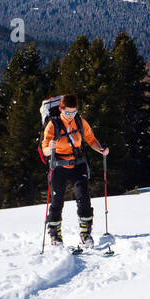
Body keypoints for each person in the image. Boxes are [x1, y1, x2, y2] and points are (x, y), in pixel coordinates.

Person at [41, 94, 108, 246]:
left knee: (83, 197)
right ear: (60, 109)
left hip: (78, 164)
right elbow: (44, 148)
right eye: (67, 112)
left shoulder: (80, 121)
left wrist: (101, 149)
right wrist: (49, 148)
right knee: (57, 201)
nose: (71, 116)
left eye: (74, 112)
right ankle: (55, 235)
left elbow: (90, 138)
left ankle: (86, 233)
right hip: (58, 165)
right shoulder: (53, 125)